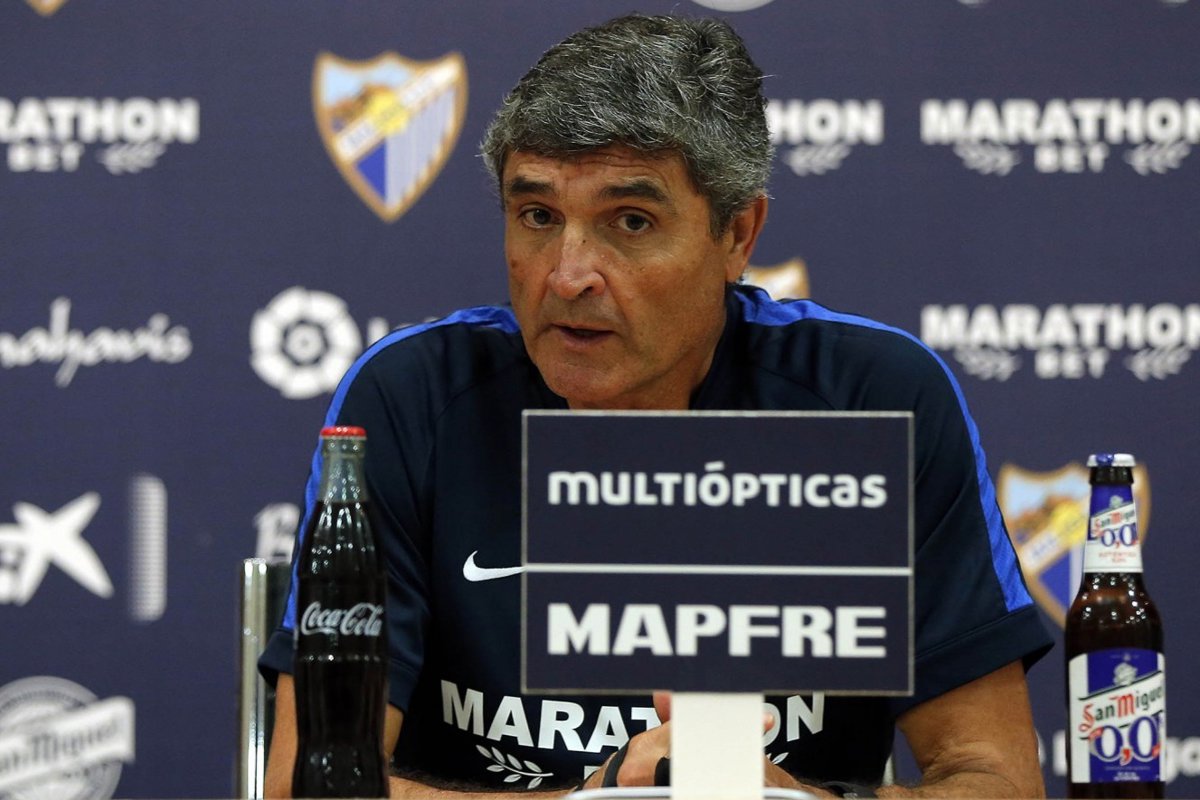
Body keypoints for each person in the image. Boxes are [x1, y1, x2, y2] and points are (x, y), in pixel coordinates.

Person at [260, 12, 1053, 798]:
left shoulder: (872, 403)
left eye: (630, 222)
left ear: (737, 235)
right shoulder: (411, 401)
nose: (568, 274)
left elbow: (996, 781)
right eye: (538, 216)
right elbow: (316, 786)